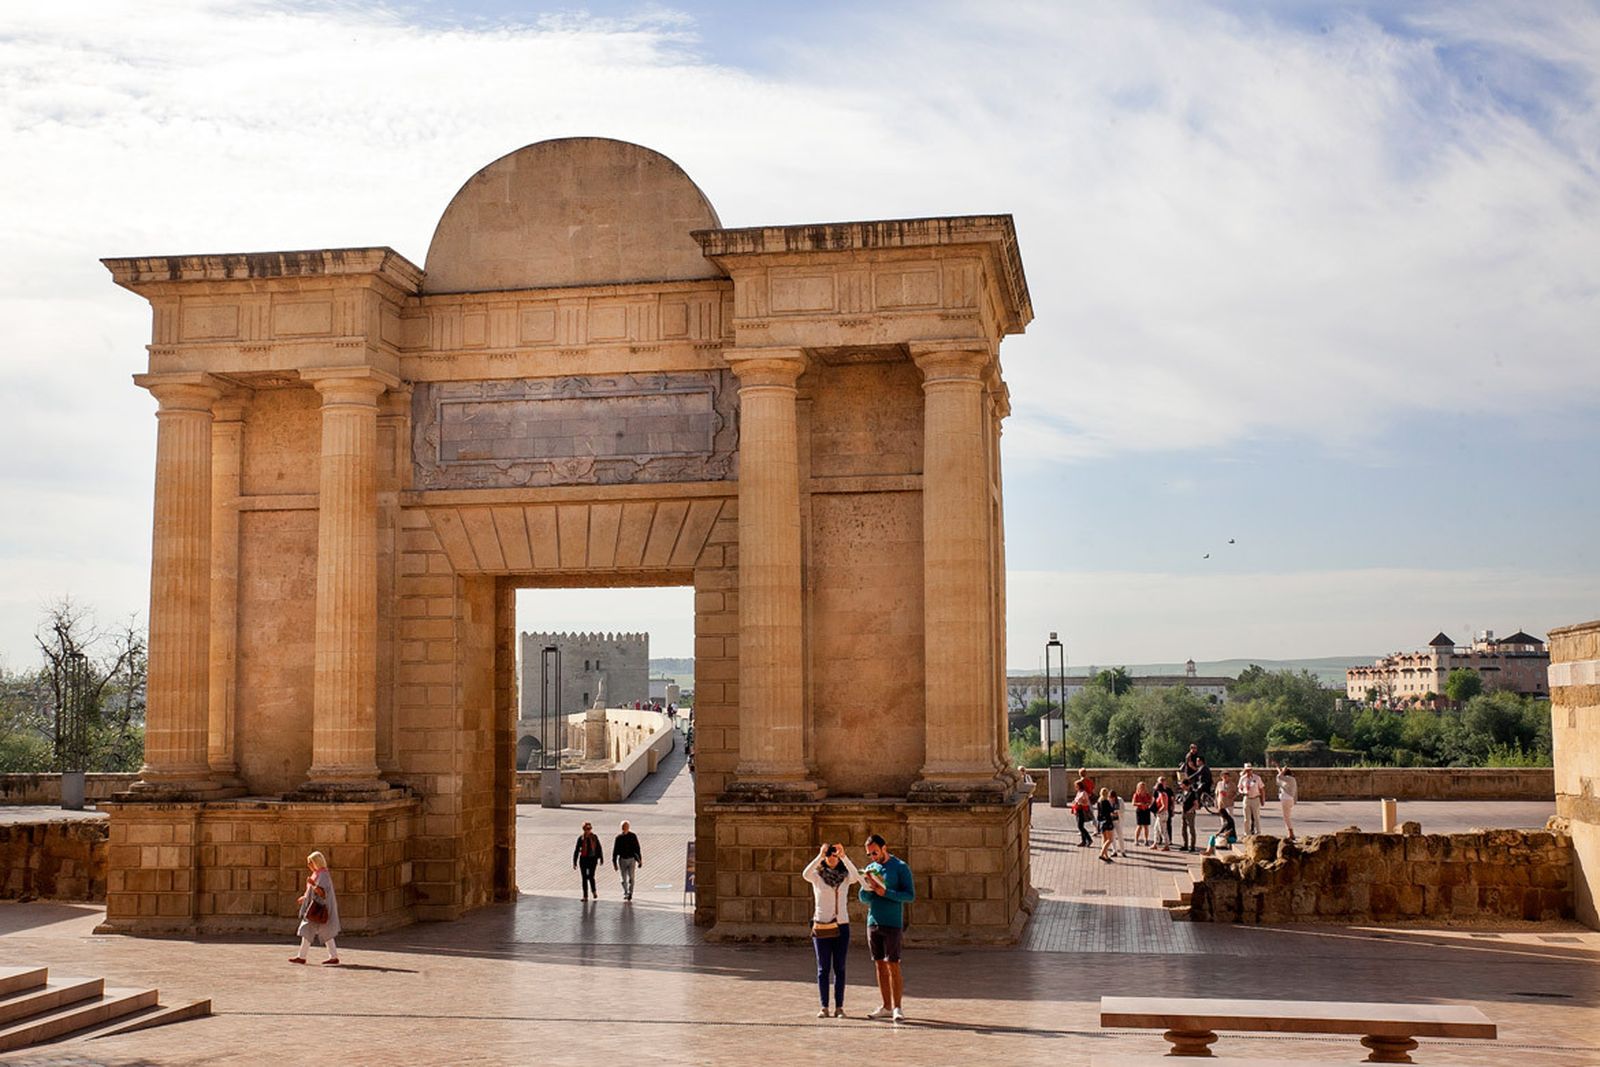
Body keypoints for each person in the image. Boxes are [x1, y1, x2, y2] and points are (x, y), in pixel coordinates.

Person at [802, 843, 861, 1018]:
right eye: (829, 854)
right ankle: (824, 1006)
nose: (831, 857)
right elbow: (805, 874)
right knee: (823, 968)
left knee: (840, 967)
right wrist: (819, 855)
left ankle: (839, 1007)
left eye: (833, 854)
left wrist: (844, 856)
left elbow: (857, 877)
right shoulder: (817, 876)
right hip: (822, 925)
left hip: (841, 925)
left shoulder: (845, 877)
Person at [859, 834, 914, 1022]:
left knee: (893, 963)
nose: (873, 857)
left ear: (884, 848)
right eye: (869, 854)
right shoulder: (871, 868)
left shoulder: (900, 867)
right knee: (879, 964)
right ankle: (886, 1006)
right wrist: (867, 889)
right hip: (873, 921)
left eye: (875, 852)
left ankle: (898, 1007)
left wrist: (886, 892)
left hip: (892, 922)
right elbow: (863, 898)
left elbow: (909, 895)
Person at [289, 850, 340, 965]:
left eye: (310, 863)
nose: (308, 865)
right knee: (313, 931)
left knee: (314, 930)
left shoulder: (323, 874)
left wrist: (312, 884)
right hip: (316, 907)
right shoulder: (318, 874)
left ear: (316, 862)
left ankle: (303, 957)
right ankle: (331, 956)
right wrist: (305, 897)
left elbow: (322, 892)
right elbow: (314, 892)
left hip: (319, 908)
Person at [572, 821, 604, 900]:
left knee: (591, 876)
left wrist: (601, 858)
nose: (588, 830)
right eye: (586, 829)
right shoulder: (581, 838)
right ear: (583, 829)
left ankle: (594, 891)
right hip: (583, 859)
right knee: (584, 878)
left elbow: (599, 848)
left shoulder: (594, 837)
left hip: (593, 859)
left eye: (589, 828)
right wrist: (574, 862)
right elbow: (576, 850)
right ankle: (585, 895)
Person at [613, 820, 643, 901]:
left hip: (631, 859)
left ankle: (630, 893)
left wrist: (640, 860)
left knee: (631, 877)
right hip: (622, 859)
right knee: (623, 878)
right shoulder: (618, 838)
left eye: (626, 827)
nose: (624, 828)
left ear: (628, 827)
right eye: (623, 827)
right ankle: (626, 892)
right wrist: (614, 863)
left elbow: (637, 848)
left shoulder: (633, 836)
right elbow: (615, 851)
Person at [1238, 762, 1265, 836]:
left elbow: (1262, 789)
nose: (1248, 772)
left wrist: (1263, 799)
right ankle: (1247, 833)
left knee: (1256, 817)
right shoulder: (1242, 778)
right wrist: (1242, 792)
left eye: (1249, 770)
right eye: (1247, 770)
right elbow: (1239, 788)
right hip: (1247, 798)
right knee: (1247, 818)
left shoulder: (1257, 778)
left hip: (1255, 798)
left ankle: (1258, 832)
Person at [1274, 760, 1298, 840]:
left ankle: (1291, 833)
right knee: (1286, 816)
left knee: (1286, 817)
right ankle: (1290, 832)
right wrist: (1278, 768)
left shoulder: (1289, 779)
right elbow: (1279, 779)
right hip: (1287, 799)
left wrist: (1282, 771)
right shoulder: (1288, 780)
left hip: (1287, 799)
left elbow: (1279, 777)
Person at [1153, 775, 1175, 851]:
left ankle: (1167, 845)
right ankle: (1155, 843)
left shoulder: (1162, 794)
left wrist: (1158, 811)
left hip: (1162, 814)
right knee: (1156, 828)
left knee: (1163, 830)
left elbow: (1164, 806)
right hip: (1161, 814)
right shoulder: (1159, 794)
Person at [1096, 787, 1117, 862]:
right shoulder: (1106, 802)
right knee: (1110, 839)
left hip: (1101, 821)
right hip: (1107, 821)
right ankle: (1101, 854)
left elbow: (1098, 814)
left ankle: (1106, 855)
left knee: (1104, 839)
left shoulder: (1099, 801)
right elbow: (1111, 811)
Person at [1179, 778, 1200, 852]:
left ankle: (1192, 846)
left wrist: (1191, 810)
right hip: (1184, 812)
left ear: (1186, 785)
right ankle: (1185, 845)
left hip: (1190, 813)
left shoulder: (1193, 793)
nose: (1181, 786)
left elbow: (1196, 805)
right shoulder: (1183, 792)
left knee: (1191, 830)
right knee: (1183, 830)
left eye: (1182, 784)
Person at [1071, 780, 1094, 847]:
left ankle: (1089, 839)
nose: (1075, 787)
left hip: (1082, 810)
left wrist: (1080, 803)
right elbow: (1076, 800)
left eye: (1076, 786)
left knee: (1080, 826)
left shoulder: (1084, 793)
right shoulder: (1078, 792)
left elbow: (1086, 802)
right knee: (1080, 826)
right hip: (1077, 810)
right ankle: (1083, 841)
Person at [1132, 781, 1153, 847]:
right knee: (1139, 826)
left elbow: (1151, 801)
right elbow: (1133, 803)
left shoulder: (1147, 794)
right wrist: (1140, 804)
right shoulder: (1136, 794)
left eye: (1143, 787)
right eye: (1141, 787)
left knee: (1146, 826)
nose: (1142, 788)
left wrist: (1148, 804)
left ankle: (1146, 840)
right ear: (1138, 788)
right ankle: (1136, 840)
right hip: (1140, 810)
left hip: (1146, 810)